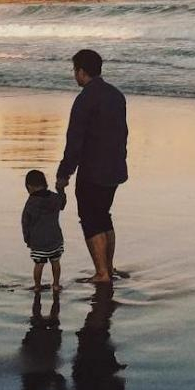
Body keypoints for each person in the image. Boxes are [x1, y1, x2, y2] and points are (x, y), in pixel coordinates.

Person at [55, 49, 128, 285]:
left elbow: (75, 140)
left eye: (74, 70)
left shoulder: (85, 99)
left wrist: (64, 173)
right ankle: (109, 267)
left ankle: (102, 273)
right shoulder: (116, 95)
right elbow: (123, 133)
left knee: (90, 218)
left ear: (81, 71)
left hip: (93, 170)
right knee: (104, 216)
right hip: (115, 167)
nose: (74, 75)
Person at [21, 169, 67, 291]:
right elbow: (62, 204)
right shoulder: (54, 198)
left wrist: (27, 239)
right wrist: (61, 190)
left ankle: (37, 286)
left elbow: (25, 222)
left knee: (39, 264)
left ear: (29, 186)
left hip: (38, 241)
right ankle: (56, 284)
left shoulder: (31, 202)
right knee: (55, 262)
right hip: (55, 239)